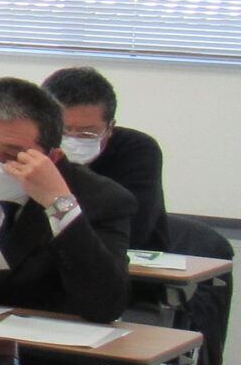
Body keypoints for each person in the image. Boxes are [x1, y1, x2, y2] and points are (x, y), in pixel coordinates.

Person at [0, 76, 133, 324]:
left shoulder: (100, 198)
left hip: (38, 340)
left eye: (12, 154)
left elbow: (106, 307)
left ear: (52, 157)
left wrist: (59, 205)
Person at [44, 67, 170, 252]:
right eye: (62, 130)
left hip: (129, 262)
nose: (72, 139)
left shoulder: (137, 150)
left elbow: (131, 229)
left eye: (87, 133)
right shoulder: (30, 148)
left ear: (110, 128)